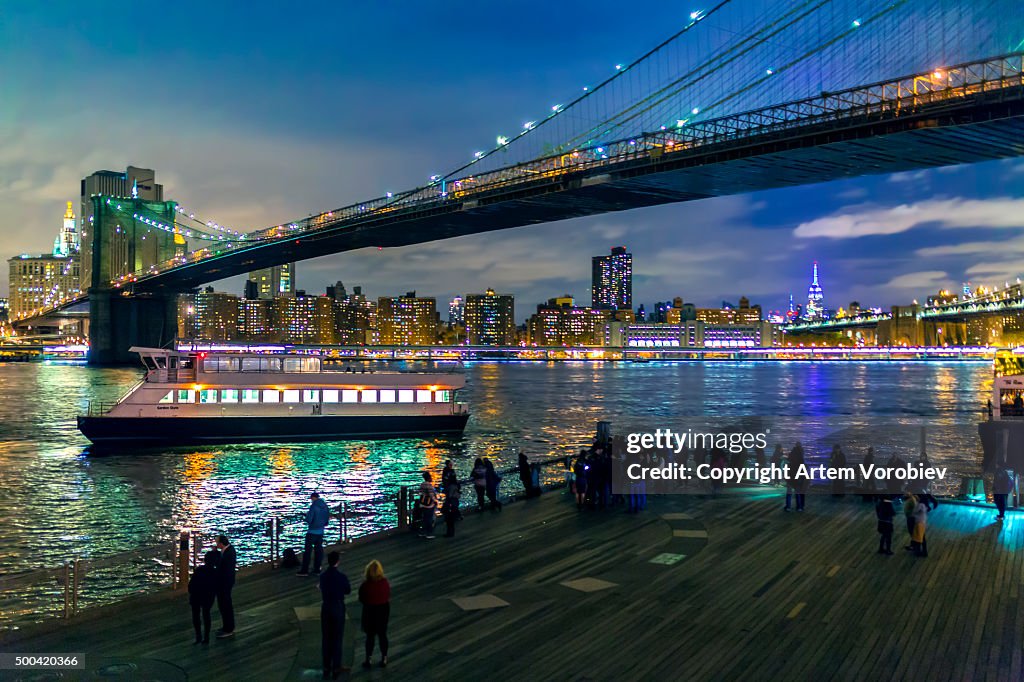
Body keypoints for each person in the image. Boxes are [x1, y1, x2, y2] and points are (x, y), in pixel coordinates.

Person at [319, 551, 351, 679]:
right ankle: (336, 667)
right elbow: (348, 590)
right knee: (337, 637)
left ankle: (326, 666)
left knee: (326, 637)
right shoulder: (341, 577)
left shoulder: (323, 576)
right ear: (338, 561)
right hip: (337, 606)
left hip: (326, 606)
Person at [359, 560, 391, 669]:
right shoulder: (385, 583)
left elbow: (361, 598)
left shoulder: (366, 585)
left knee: (370, 637)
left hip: (370, 611)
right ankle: (384, 657)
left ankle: (368, 658)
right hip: (383, 611)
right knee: (383, 635)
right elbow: (387, 595)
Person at [188, 549, 219, 643]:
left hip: (196, 595)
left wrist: (192, 592)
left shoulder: (199, 570)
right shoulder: (215, 572)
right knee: (206, 614)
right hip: (208, 595)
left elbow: (191, 584)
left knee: (196, 615)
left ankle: (198, 636)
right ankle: (206, 637)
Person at [299, 492, 331, 576]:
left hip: (312, 531)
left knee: (307, 552)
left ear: (313, 498)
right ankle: (317, 569)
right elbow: (327, 519)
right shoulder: (325, 506)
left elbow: (309, 519)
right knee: (318, 551)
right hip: (321, 532)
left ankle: (304, 570)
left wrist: (305, 517)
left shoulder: (313, 507)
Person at [215, 534, 236, 638]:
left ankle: (228, 628)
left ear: (221, 543)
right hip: (226, 582)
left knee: (225, 605)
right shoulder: (229, 551)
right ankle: (226, 626)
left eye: (217, 542)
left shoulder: (228, 554)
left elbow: (224, 569)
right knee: (224, 605)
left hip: (225, 582)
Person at [784, 443, 806, 511]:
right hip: (798, 477)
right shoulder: (801, 458)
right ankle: (799, 507)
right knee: (798, 492)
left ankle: (788, 507)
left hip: (790, 476)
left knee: (789, 492)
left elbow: (787, 466)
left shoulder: (791, 458)